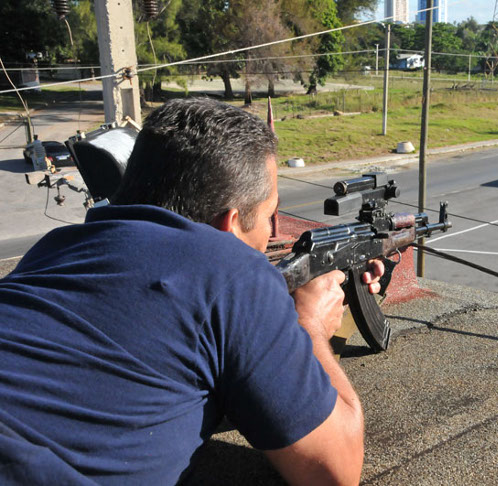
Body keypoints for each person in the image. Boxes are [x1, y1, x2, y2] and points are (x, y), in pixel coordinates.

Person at [0, 98, 383, 485]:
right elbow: (336, 471)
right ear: (229, 224)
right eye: (271, 216)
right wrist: (310, 325)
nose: (274, 235)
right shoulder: (232, 272)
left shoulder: (53, 249)